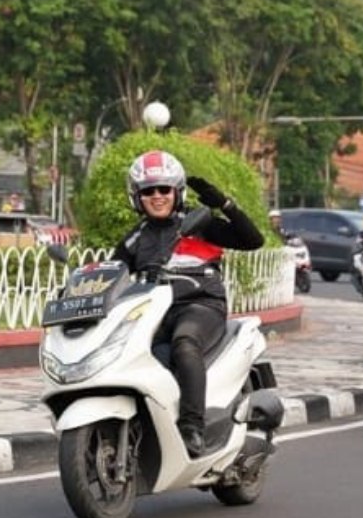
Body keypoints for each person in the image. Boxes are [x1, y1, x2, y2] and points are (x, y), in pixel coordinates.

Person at [113, 150, 264, 457]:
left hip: (200, 306)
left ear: (176, 192)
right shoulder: (134, 238)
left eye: (164, 189)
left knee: (184, 343)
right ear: (137, 197)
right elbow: (111, 275)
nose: (157, 197)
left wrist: (223, 204)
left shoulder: (198, 223)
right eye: (148, 191)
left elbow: (253, 240)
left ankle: (193, 428)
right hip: (153, 314)